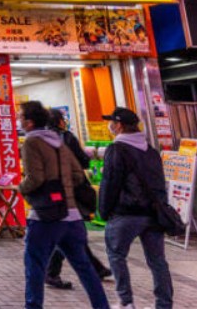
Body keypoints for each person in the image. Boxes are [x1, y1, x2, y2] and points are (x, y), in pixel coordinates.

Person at [18, 101, 109, 309]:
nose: (19, 120)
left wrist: (20, 188)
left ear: (30, 122)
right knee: (85, 268)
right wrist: (64, 186)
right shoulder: (59, 142)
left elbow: (35, 178)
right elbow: (78, 174)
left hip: (46, 217)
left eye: (21, 116)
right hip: (72, 216)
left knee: (35, 266)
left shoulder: (32, 143)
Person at [100, 107, 173, 309]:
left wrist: (104, 210)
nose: (110, 126)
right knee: (158, 261)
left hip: (126, 213)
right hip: (153, 214)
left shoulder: (116, 149)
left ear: (119, 125)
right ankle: (164, 304)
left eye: (112, 122)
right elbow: (159, 184)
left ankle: (126, 302)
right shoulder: (151, 151)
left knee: (116, 255)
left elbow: (110, 183)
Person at [45, 108, 112, 290]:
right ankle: (51, 272)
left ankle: (96, 268)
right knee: (71, 231)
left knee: (73, 231)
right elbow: (83, 161)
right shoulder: (66, 137)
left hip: (52, 191)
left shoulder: (40, 140)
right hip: (71, 190)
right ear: (60, 121)